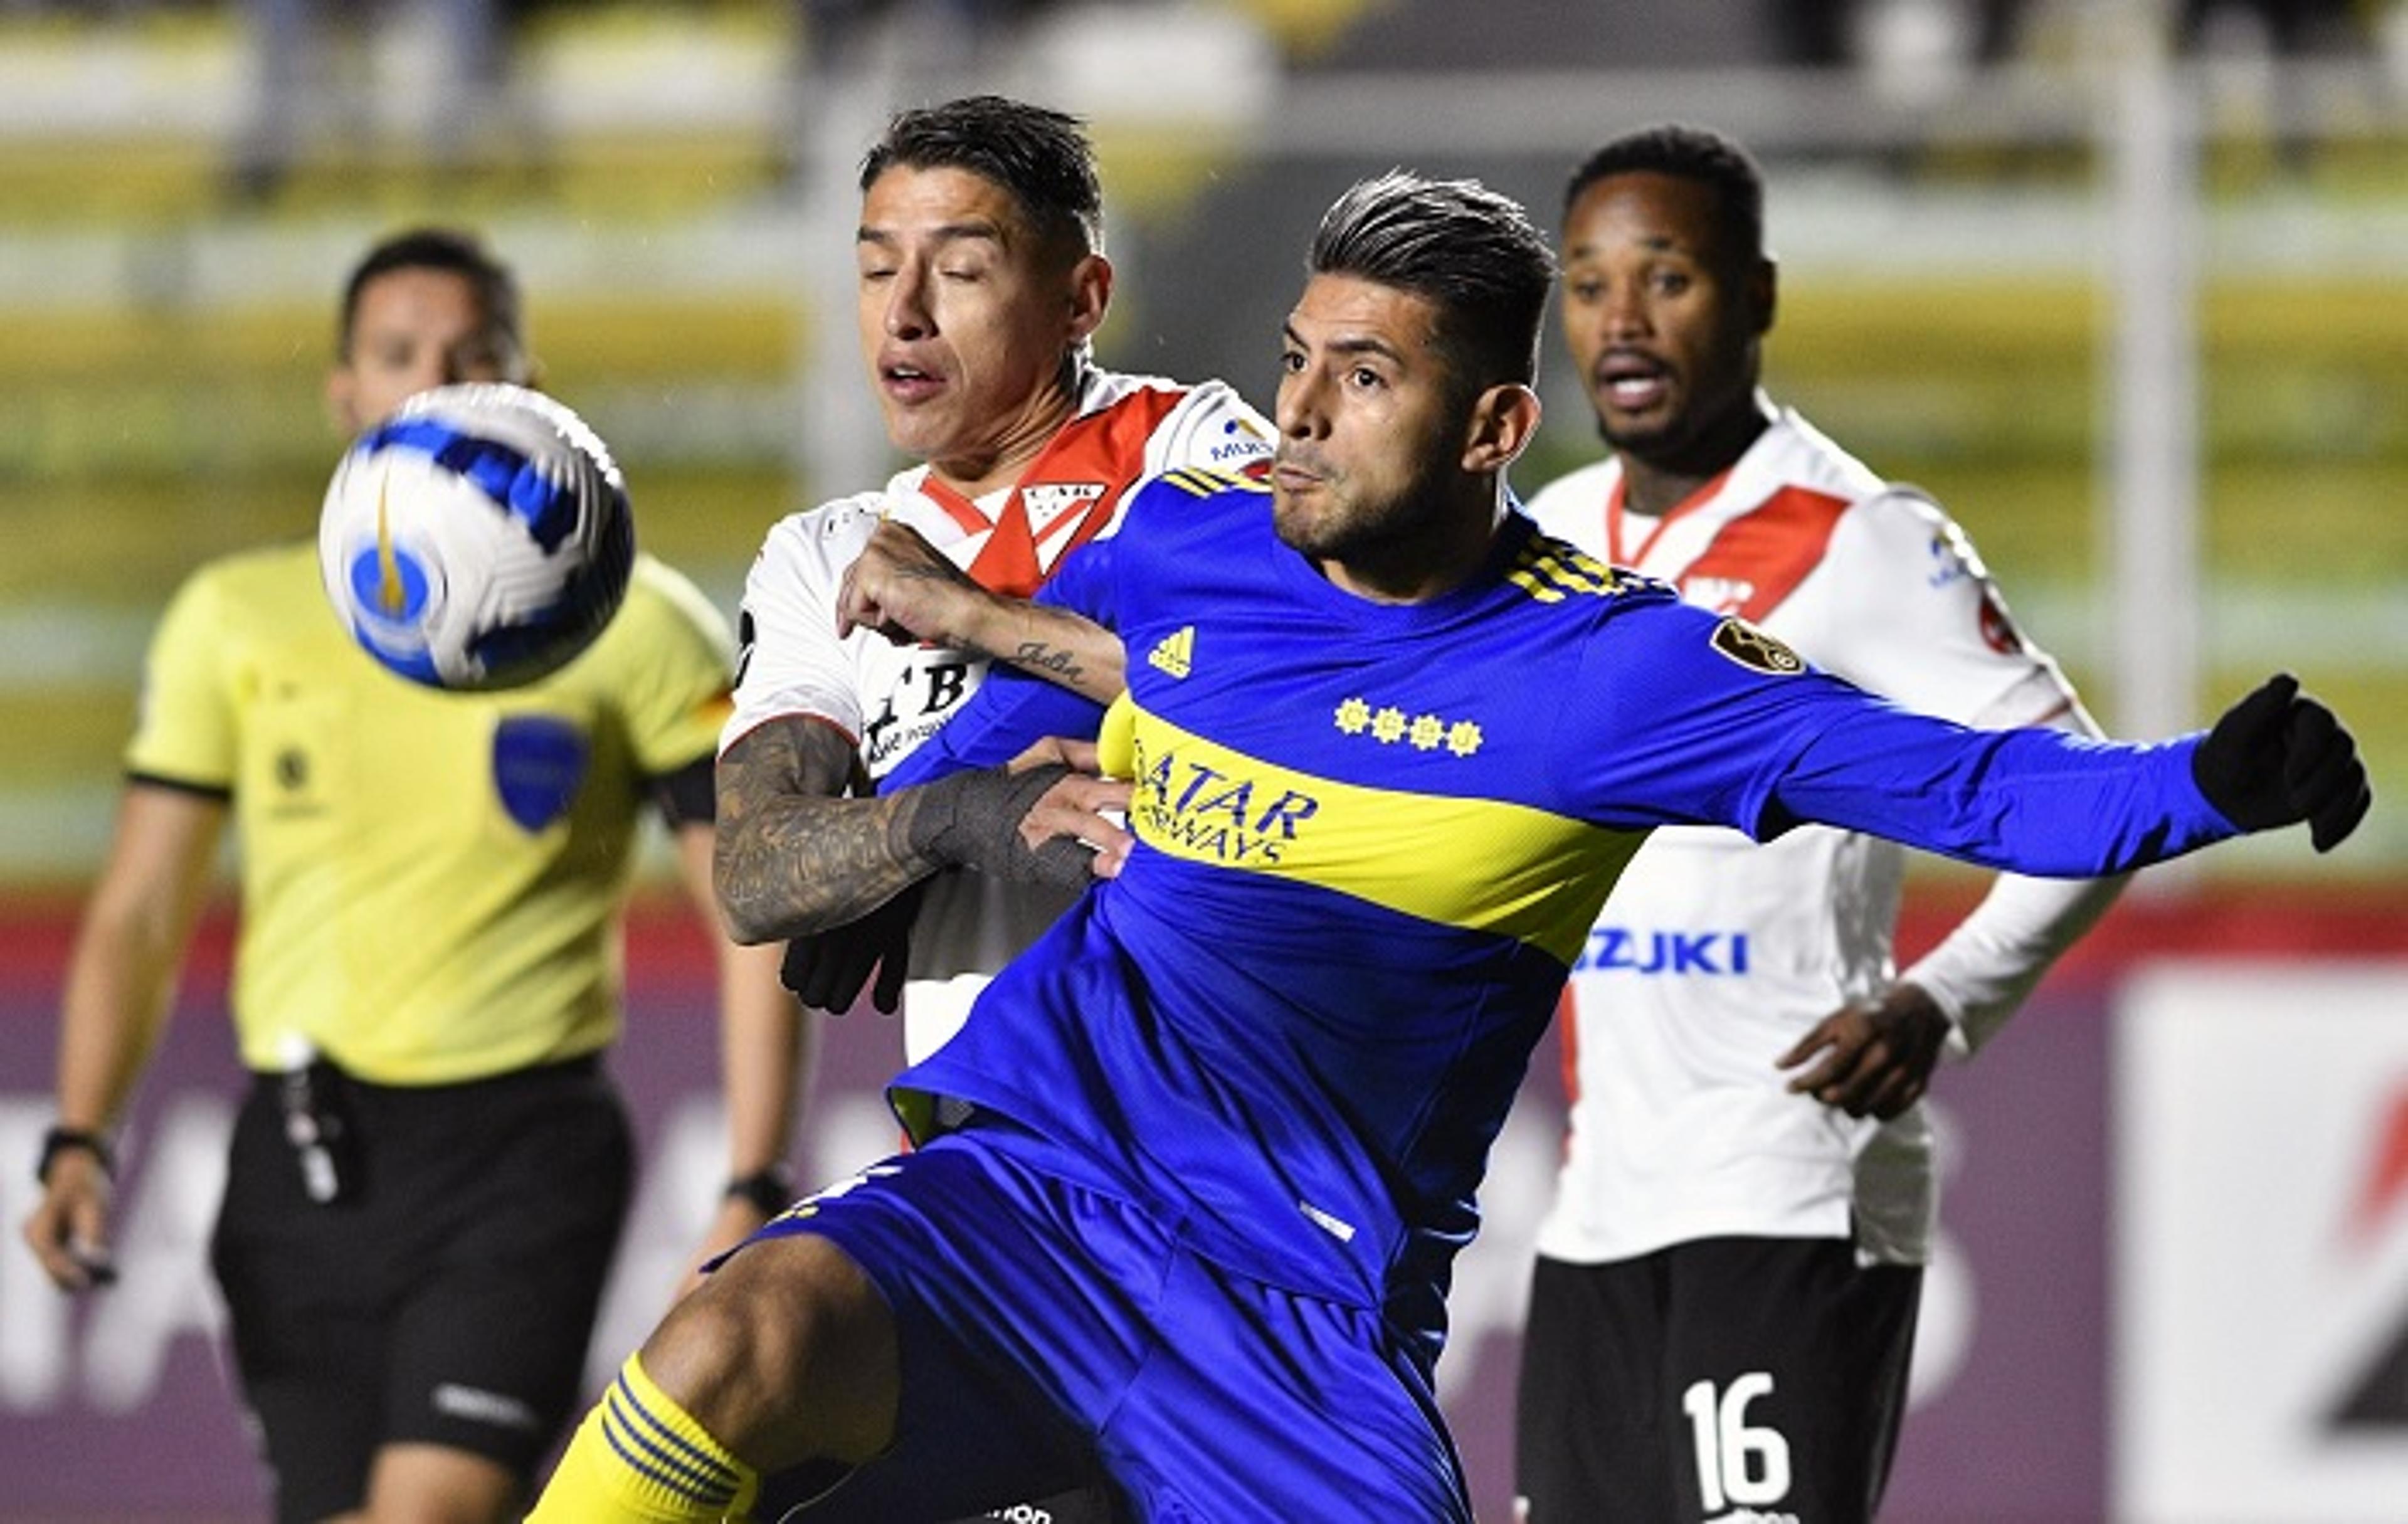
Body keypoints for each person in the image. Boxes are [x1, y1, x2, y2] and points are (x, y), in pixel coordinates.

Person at [525, 171, 2368, 1524]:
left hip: (1302, 1322)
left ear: (1494, 424)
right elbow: (1010, 725)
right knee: (729, 1340)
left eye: (1365, 381)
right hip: (1041, 1204)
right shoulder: (1193, 549)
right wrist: (895, 850)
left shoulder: (1625, 670)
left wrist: (2208, 776)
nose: (1303, 420)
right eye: (1294, 366)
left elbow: (1971, 790)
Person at [18, 227, 791, 1524]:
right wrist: (83, 1132)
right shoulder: (236, 617)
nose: (431, 383)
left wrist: (752, 1175)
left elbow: (751, 910)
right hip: (301, 1160)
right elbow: (144, 906)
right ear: (344, 392)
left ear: (525, 383)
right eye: (396, 355)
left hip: (523, 1153)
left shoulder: (637, 623)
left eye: (469, 355)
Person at [1509, 124, 2125, 1522]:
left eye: (1666, 278)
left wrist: (1940, 1001)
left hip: (1788, 1185)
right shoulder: (1547, 533)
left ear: (1758, 296)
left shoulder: (1857, 538)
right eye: (1592, 282)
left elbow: (2075, 790)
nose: (1623, 319)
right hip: (1601, 1204)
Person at [704, 93, 1269, 1521]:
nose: (903, 311)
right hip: (991, 1184)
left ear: (1083, 293)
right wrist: (937, 825)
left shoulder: (1190, 453)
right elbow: (761, 873)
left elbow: (1275, 692)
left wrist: (969, 620)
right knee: (719, 1391)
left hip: (1210, 1177)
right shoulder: (828, 554)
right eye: (875, 263)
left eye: (957, 269)